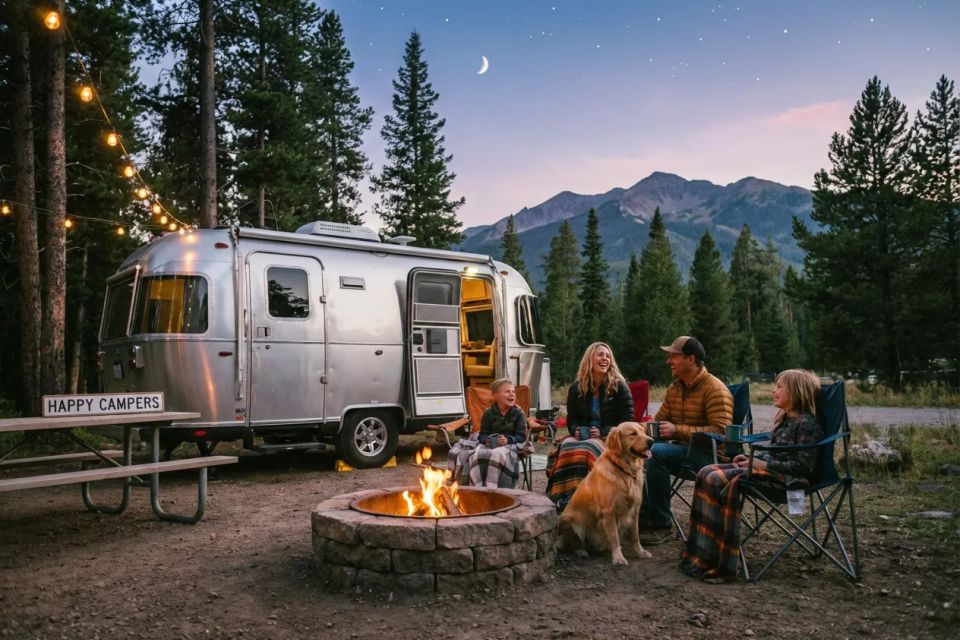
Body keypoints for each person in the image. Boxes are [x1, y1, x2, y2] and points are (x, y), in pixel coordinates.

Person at [679, 369, 823, 583]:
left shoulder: (806, 423)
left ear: (796, 392)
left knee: (716, 479)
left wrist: (762, 462)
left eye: (780, 387)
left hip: (784, 479)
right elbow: (775, 452)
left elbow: (803, 466)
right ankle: (703, 553)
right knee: (705, 472)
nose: (774, 390)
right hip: (768, 470)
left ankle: (723, 562)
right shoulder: (785, 420)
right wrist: (748, 458)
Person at [639, 336, 733, 545]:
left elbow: (721, 431)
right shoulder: (675, 388)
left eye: (673, 356)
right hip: (683, 452)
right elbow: (659, 421)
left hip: (712, 456)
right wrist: (633, 432)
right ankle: (641, 520)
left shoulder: (715, 388)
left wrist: (677, 431)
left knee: (657, 454)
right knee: (638, 450)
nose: (668, 361)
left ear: (690, 359)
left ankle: (661, 526)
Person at [545, 342, 633, 512]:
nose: (605, 359)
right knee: (566, 446)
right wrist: (576, 430)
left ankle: (590, 500)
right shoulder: (577, 388)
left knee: (589, 448)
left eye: (608, 356)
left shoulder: (619, 387)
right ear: (589, 359)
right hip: (584, 436)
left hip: (611, 439)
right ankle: (565, 498)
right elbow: (572, 420)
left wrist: (603, 432)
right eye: (600, 355)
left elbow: (628, 422)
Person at [466, 378, 529, 488]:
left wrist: (508, 440)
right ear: (495, 396)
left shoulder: (518, 413)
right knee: (476, 454)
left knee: (496, 455)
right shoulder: (488, 413)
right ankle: (478, 486)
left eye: (513, 392)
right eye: (507, 391)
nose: (511, 394)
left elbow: (521, 437)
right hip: (491, 443)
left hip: (510, 443)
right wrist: (487, 440)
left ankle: (494, 487)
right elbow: (482, 434)